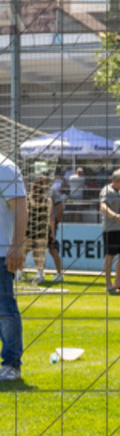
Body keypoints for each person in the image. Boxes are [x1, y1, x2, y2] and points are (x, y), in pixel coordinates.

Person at [0, 156, 26, 382]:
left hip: (1, 253)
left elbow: (20, 208)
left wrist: (17, 245)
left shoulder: (5, 167)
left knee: (5, 310)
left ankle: (11, 364)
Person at [99, 169, 120, 293]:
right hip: (110, 229)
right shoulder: (107, 191)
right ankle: (108, 284)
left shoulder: (119, 191)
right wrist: (116, 216)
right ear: (116, 181)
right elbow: (103, 206)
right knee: (110, 256)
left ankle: (118, 281)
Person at [24, 174, 51, 285]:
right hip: (41, 228)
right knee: (40, 253)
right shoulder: (47, 199)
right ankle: (40, 273)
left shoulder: (28, 198)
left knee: (24, 252)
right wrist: (51, 231)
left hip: (29, 227)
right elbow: (49, 217)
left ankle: (19, 273)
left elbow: (25, 213)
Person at [47, 174, 65, 283]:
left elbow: (59, 208)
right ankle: (39, 273)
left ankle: (59, 273)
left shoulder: (52, 192)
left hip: (49, 225)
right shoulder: (34, 192)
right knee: (34, 249)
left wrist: (57, 221)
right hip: (38, 226)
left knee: (52, 249)